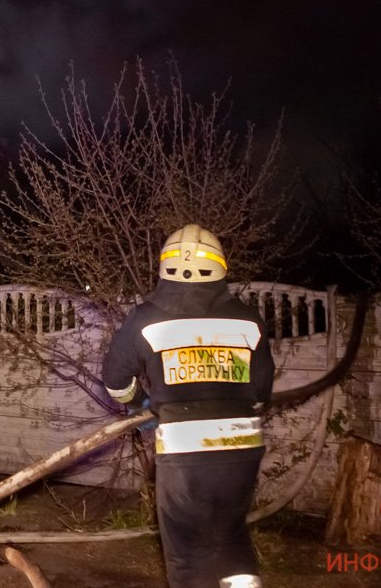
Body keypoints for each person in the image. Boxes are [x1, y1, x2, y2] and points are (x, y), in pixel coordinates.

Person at [103, 224, 273, 588]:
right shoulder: (248, 320)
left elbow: (115, 381)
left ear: (164, 268)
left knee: (187, 551)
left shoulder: (147, 318)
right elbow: (261, 391)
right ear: (220, 267)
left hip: (184, 449)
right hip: (243, 447)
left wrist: (142, 406)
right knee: (231, 534)